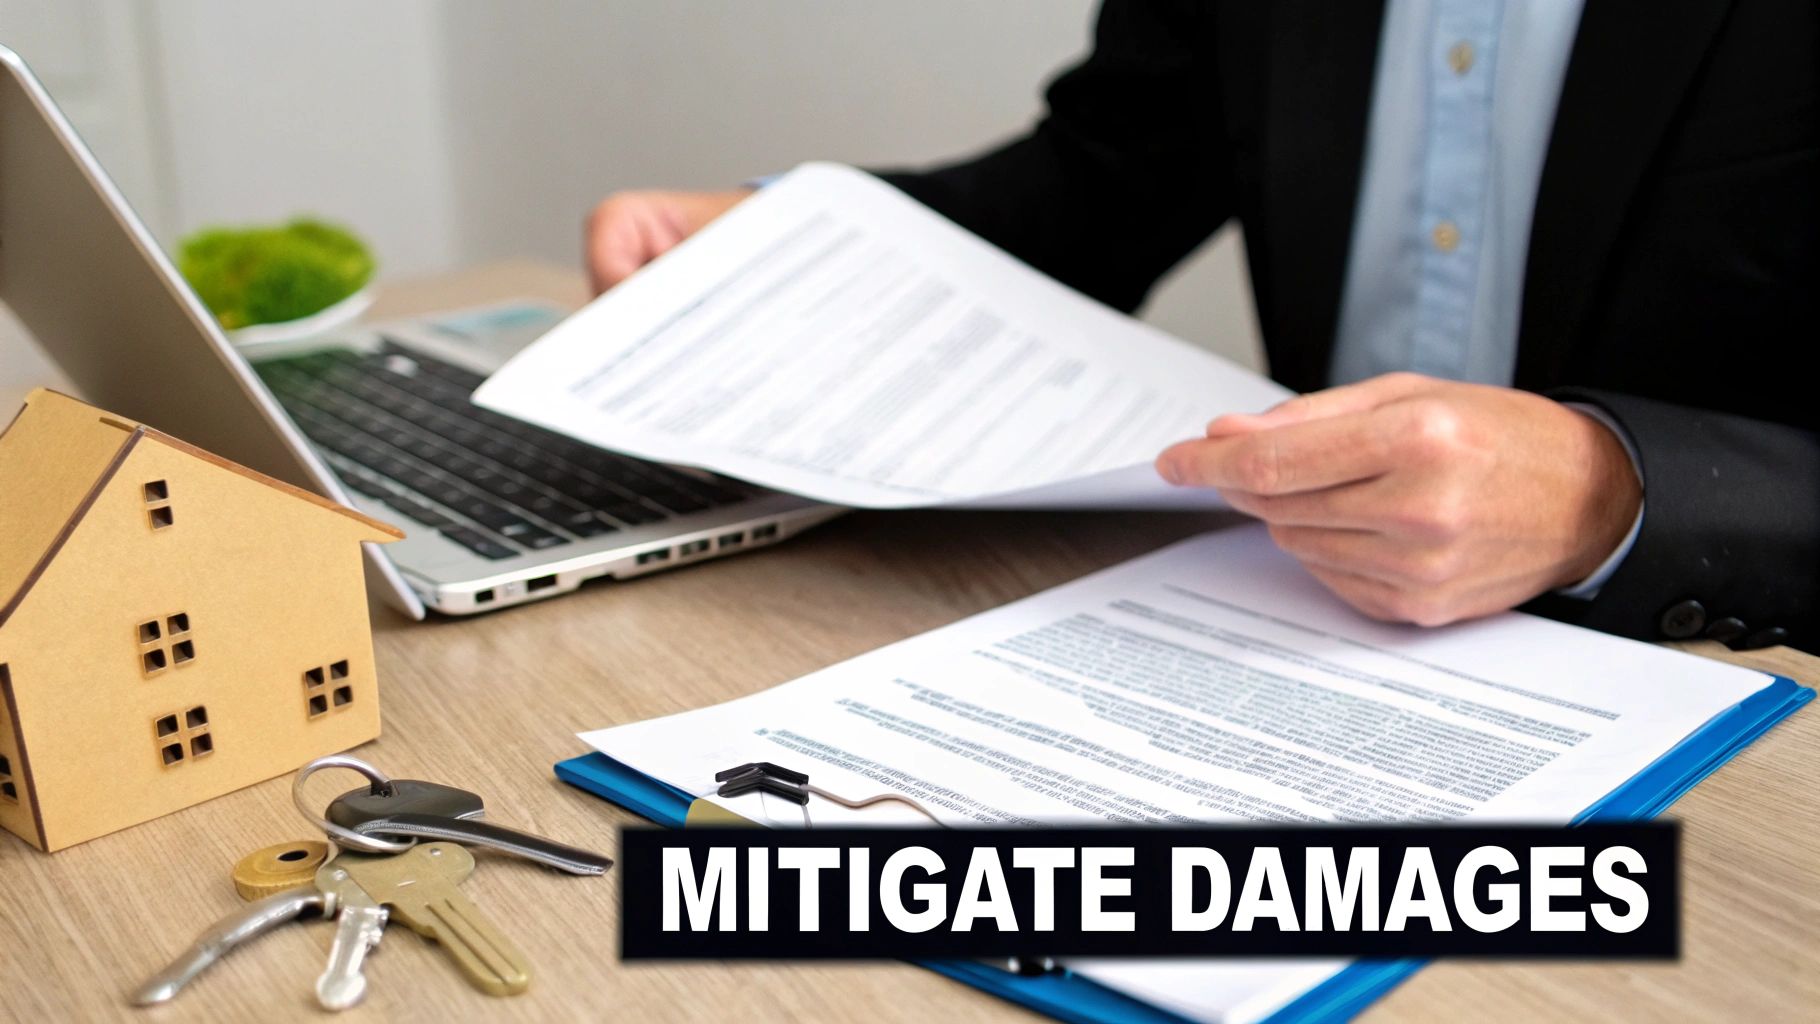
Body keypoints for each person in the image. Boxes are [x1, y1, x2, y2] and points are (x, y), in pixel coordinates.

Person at [581, 0, 1817, 650]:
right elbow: (1095, 184)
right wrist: (789, 241)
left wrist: (1614, 491)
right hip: (1299, 622)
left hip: (1732, 680)